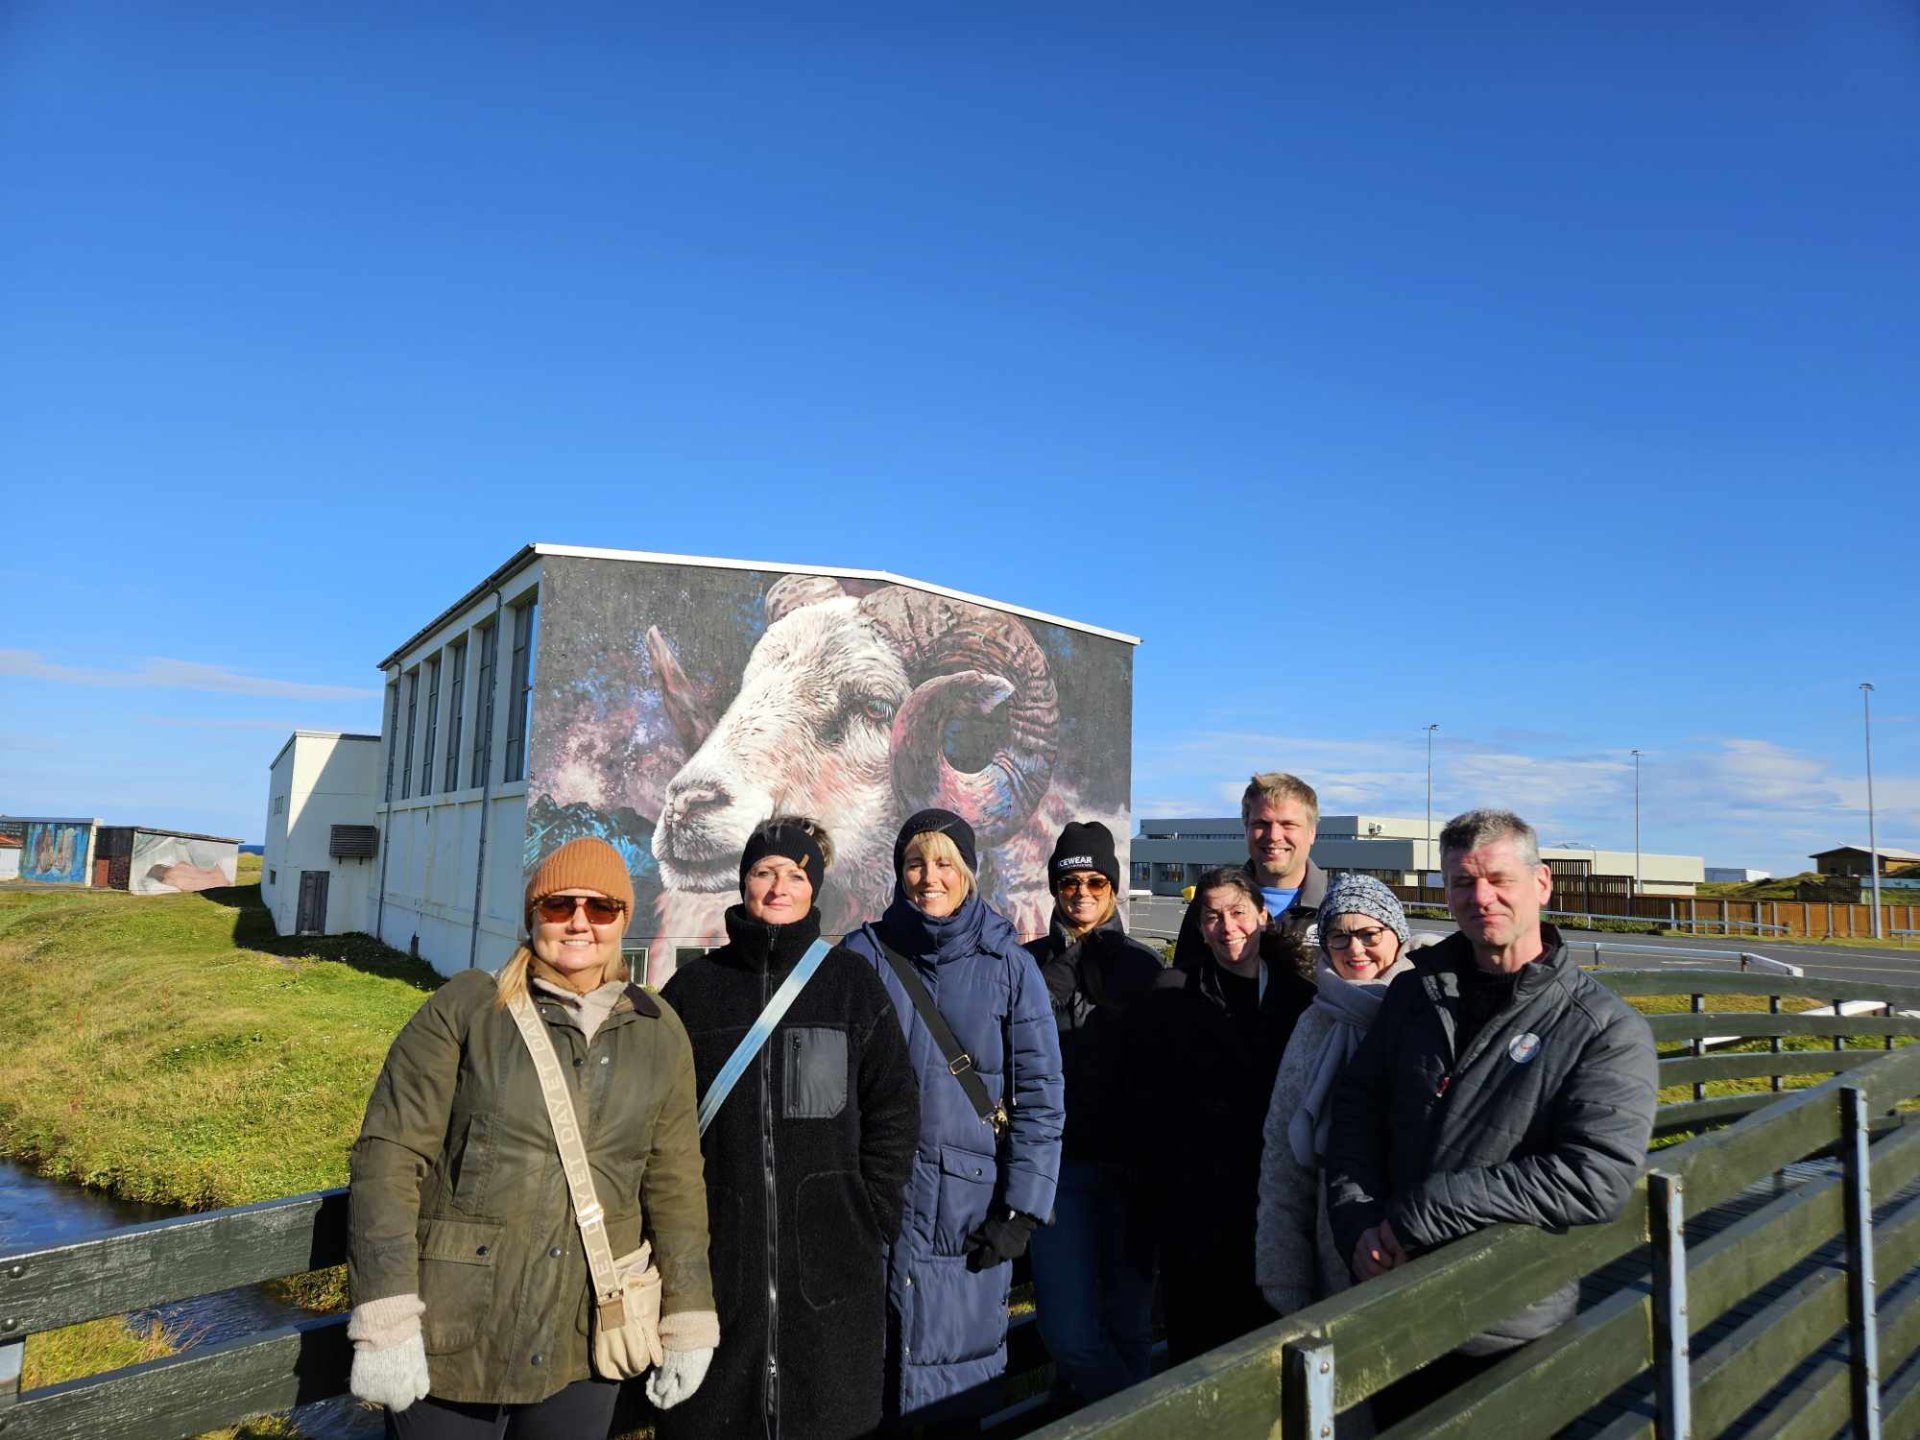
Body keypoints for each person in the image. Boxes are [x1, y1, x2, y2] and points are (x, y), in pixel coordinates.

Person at [346, 836, 718, 1439]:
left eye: (601, 908)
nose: (579, 923)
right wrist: (386, 1319)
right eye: (558, 906)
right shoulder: (467, 1008)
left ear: (624, 919)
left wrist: (690, 1317)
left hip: (585, 1339)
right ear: (532, 916)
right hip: (454, 1337)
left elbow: (675, 1182)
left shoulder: (658, 1031)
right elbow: (389, 1156)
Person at [1325, 810, 1658, 1420]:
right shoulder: (1416, 995)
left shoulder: (1601, 1030)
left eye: (1498, 879)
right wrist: (1357, 1221)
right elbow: (1356, 1111)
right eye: (1461, 882)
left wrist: (1422, 1215)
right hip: (1392, 1302)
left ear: (1542, 883)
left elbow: (1596, 1176)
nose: (1480, 898)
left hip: (1505, 1318)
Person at [657, 816, 920, 1440]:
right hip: (718, 1270)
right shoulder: (694, 991)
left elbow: (894, 1107)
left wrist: (868, 1211)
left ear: (814, 888)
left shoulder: (851, 985)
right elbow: (655, 1125)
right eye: (764, 872)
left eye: (796, 875)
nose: (779, 887)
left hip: (831, 1278)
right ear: (743, 882)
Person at [840, 808, 1066, 1423]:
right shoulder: (863, 956)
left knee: (955, 1403)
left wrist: (1021, 1210)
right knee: (873, 1397)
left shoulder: (1009, 966)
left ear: (968, 872)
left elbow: (1042, 1098)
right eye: (915, 862)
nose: (928, 877)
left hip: (968, 1223)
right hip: (878, 1210)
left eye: (944, 862)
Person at [1122, 866, 1317, 1364]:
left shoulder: (1299, 997)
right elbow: (1147, 1102)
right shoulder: (1172, 995)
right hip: (1198, 1211)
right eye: (1212, 916)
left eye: (1238, 912)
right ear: (1200, 926)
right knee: (1202, 1349)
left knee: (1273, 1343)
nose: (1227, 927)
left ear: (1262, 917)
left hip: (1276, 1199)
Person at [1021, 821, 1164, 1404]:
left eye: (1096, 882)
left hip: (1133, 1176)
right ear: (1054, 889)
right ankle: (1143, 1421)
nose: (1082, 893)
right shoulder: (1025, 965)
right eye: (1069, 882)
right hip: (1058, 1175)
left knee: (1130, 1327)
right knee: (1070, 1335)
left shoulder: (1144, 967)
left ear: (1113, 887)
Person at [1256, 875, 1422, 1325]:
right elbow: (1283, 1157)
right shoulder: (1314, 1024)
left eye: (1370, 934)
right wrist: (1284, 1271)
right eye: (1339, 936)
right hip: (1338, 1251)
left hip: (1420, 1248)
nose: (1355, 950)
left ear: (1397, 937)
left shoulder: (1428, 1012)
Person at [1173, 773, 1328, 970]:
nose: (1274, 836)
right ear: (1245, 828)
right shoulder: (1211, 904)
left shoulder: (1336, 907)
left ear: (1312, 832)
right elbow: (1184, 985)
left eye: (1288, 824)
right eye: (1262, 824)